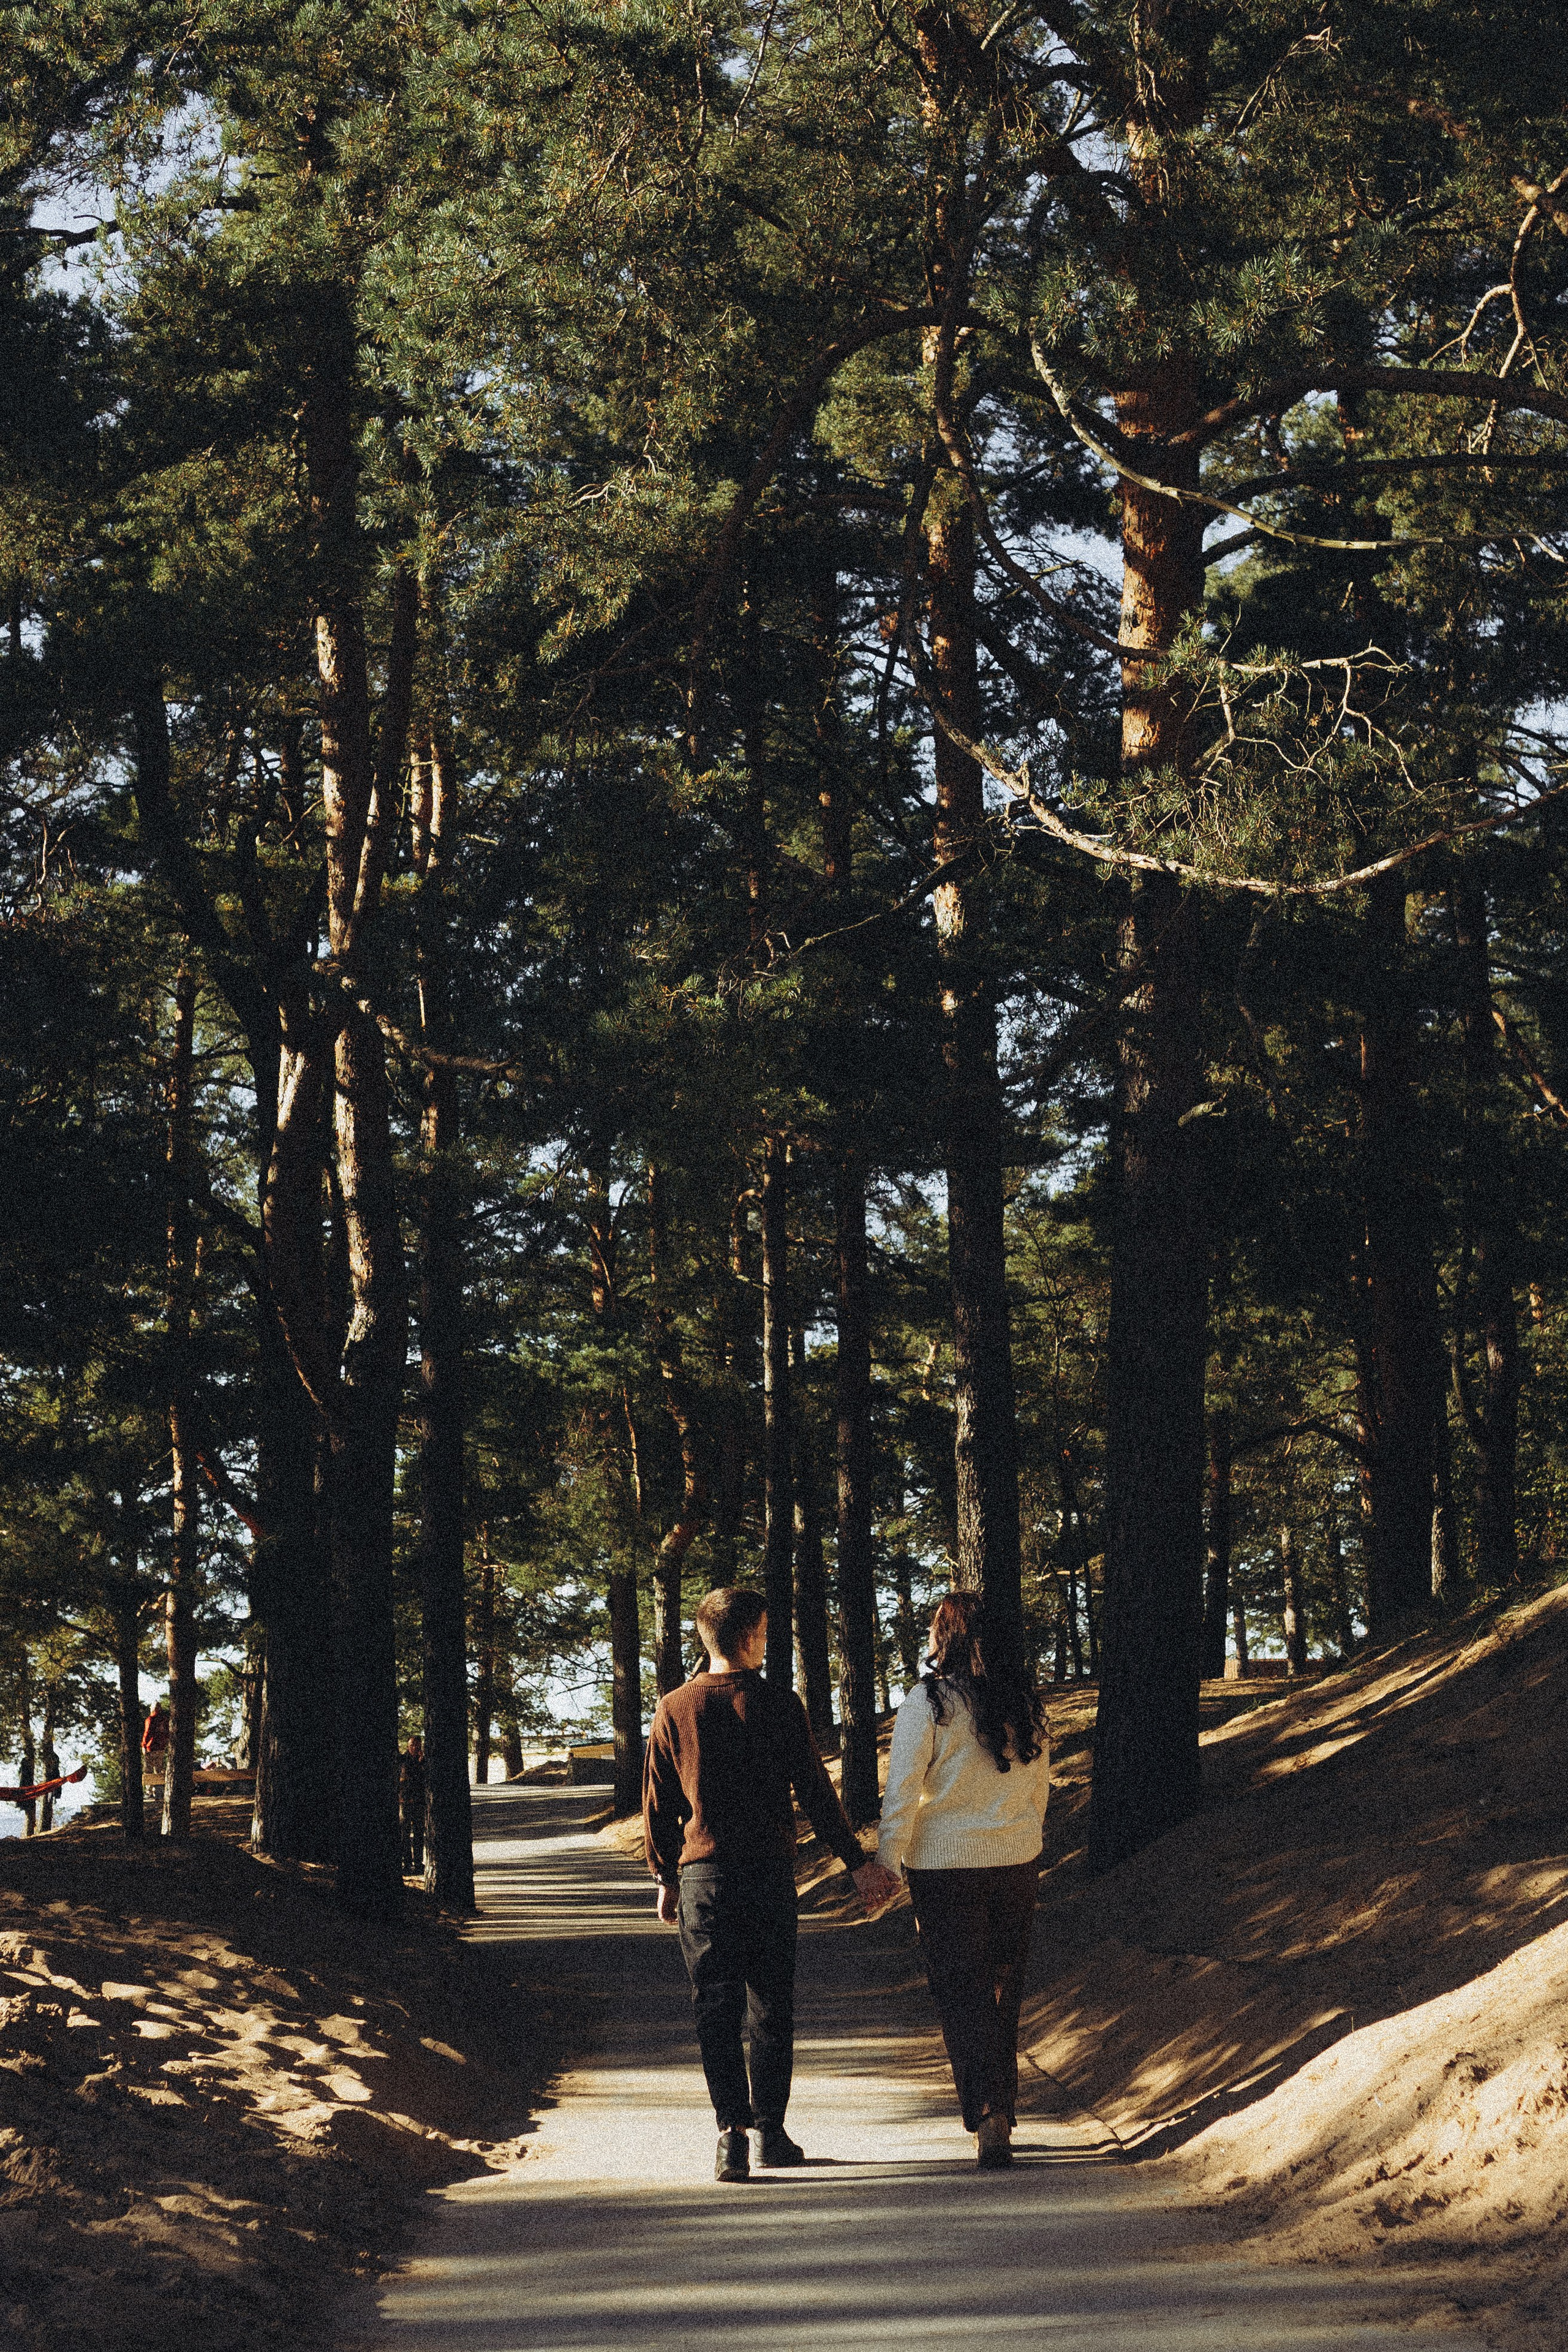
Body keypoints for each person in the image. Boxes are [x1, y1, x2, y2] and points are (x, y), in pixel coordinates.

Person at [643, 1586, 900, 2183]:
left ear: (705, 1638)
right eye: (765, 1630)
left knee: (715, 2003)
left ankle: (730, 2135)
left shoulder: (674, 1709)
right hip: (766, 1878)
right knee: (771, 2006)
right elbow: (815, 1791)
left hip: (704, 1877)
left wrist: (664, 1875)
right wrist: (854, 1860)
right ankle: (771, 2133)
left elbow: (657, 1805)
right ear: (753, 1635)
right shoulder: (780, 1705)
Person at [875, 1590, 1050, 2169]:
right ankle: (999, 2107)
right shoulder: (1025, 1703)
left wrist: (888, 1861)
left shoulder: (928, 1702)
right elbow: (1040, 1788)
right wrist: (1027, 1839)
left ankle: (987, 2112)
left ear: (944, 1638)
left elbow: (902, 1789)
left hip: (946, 1869)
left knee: (962, 1992)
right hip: (1015, 1862)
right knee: (1004, 1990)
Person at [399, 1736, 426, 1877]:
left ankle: (418, 1862)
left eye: (417, 1745)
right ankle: (407, 1863)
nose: (414, 1747)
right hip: (404, 1802)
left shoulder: (424, 1761)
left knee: (418, 1835)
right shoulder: (402, 1760)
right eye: (411, 1745)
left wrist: (422, 1764)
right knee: (405, 1835)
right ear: (408, 1746)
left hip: (419, 1803)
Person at [141, 1701, 170, 1774]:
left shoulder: (150, 1720)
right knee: (158, 1771)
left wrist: (144, 1746)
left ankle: (150, 1785)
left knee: (148, 1772)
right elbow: (167, 1734)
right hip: (161, 1749)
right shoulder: (165, 1720)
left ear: (152, 1709)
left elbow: (147, 1733)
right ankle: (158, 1785)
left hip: (151, 1748)